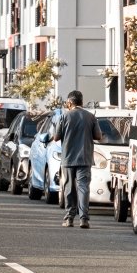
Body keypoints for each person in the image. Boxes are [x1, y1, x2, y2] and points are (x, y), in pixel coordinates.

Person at [51, 90, 99, 229]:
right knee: (83, 188)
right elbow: (98, 136)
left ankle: (69, 218)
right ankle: (84, 219)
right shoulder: (91, 117)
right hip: (85, 157)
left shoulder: (64, 116)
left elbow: (56, 137)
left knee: (69, 188)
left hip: (68, 158)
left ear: (70, 102)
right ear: (81, 102)